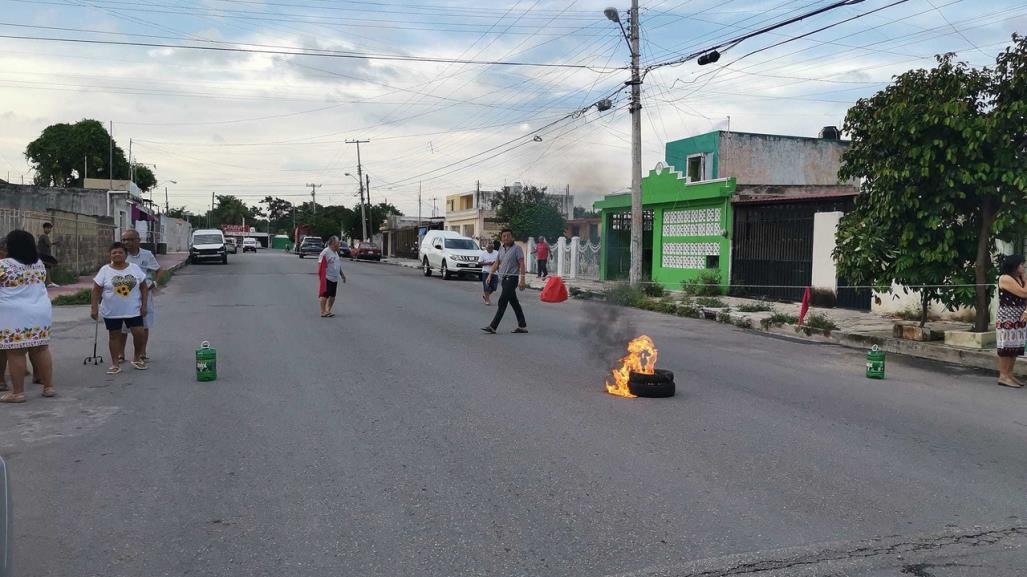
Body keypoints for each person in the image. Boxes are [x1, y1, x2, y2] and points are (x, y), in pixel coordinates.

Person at [0, 230, 55, 402]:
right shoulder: (39, 264)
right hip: (40, 310)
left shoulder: (3, 265)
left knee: (15, 353)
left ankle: (18, 393)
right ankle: (48, 387)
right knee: (41, 348)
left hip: (13, 313)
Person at [91, 242, 149, 374]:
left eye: (120, 252)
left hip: (133, 309)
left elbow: (144, 287)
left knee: (139, 333)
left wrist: (144, 305)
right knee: (114, 336)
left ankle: (137, 358)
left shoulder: (134, 268)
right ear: (110, 255)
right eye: (114, 253)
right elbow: (95, 290)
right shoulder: (105, 270)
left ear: (125, 254)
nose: (117, 254)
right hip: (112, 311)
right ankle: (115, 364)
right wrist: (94, 307)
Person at [121, 229, 161, 363]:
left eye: (130, 239)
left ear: (138, 240)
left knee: (144, 323)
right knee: (123, 324)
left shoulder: (147, 255)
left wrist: (154, 283)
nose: (127, 242)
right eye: (124, 240)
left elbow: (158, 270)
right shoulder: (121, 254)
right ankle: (121, 354)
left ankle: (142, 352)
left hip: (144, 293)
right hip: (125, 293)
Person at [482, 228, 527, 334]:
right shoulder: (501, 249)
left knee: (502, 301)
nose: (506, 238)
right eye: (504, 236)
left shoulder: (517, 249)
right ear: (501, 238)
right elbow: (497, 263)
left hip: (512, 279)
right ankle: (522, 325)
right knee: (514, 302)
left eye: (508, 236)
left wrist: (522, 280)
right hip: (503, 279)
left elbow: (521, 264)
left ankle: (493, 326)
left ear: (512, 237)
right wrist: (490, 275)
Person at [996, 254, 1027, 388]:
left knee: (1015, 347)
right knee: (1006, 347)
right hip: (1007, 316)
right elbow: (1023, 293)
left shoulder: (1019, 278)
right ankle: (1003, 376)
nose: (1023, 266)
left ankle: (1009, 374)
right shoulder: (1005, 278)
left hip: (1019, 316)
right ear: (1014, 265)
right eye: (1021, 264)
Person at [318, 236, 347, 318]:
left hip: (335, 278)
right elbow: (320, 264)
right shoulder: (326, 252)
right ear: (333, 243)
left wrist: (342, 275)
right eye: (338, 243)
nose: (339, 245)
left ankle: (328, 310)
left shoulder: (335, 252)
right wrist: (321, 276)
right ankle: (322, 311)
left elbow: (338, 265)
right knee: (325, 295)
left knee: (333, 296)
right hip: (327, 277)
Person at [38, 221, 59, 287]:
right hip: (44, 255)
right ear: (44, 228)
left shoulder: (45, 236)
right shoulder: (44, 236)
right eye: (47, 228)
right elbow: (48, 244)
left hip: (44, 255)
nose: (49, 229)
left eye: (50, 228)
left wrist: (53, 243)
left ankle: (47, 282)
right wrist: (55, 243)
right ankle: (48, 282)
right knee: (47, 267)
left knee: (47, 268)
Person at [478, 241, 499, 305]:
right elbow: (479, 263)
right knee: (486, 286)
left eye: (491, 248)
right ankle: (487, 300)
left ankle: (485, 295)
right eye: (488, 248)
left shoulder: (497, 253)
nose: (490, 249)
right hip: (486, 272)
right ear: (486, 248)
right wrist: (487, 263)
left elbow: (500, 261)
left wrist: (496, 264)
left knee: (494, 287)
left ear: (493, 248)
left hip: (495, 272)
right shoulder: (483, 254)